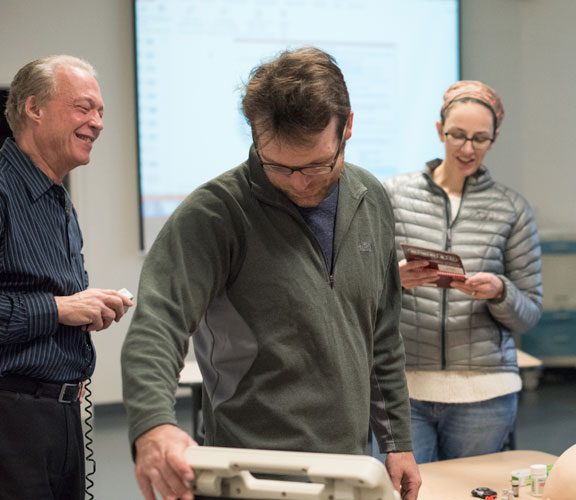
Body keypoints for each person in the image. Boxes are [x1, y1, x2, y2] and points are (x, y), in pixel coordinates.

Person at [121, 47, 420, 500]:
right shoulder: (216, 214)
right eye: (278, 166)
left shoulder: (370, 199)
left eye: (318, 164)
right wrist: (154, 424)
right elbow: (157, 324)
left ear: (349, 128)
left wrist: (397, 443)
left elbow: (382, 333)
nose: (299, 182)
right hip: (248, 474)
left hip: (349, 470)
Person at [382, 80, 542, 463]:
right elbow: (354, 290)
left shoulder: (512, 209)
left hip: (484, 393)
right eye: (457, 135)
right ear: (440, 131)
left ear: (494, 138)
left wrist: (499, 291)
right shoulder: (391, 195)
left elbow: (530, 313)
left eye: (481, 139)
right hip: (403, 389)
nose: (468, 148)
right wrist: (393, 280)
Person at [0, 55, 133, 499]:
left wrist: (83, 311)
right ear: (33, 108)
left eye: (101, 112)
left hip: (60, 416)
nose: (96, 122)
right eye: (83, 107)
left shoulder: (58, 199)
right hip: (12, 421)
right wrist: (59, 309)